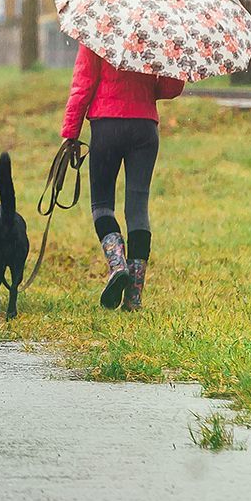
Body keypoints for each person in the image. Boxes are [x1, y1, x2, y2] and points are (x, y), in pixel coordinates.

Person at [59, 45, 184, 311]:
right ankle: (134, 296)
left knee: (102, 205)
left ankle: (117, 266)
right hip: (144, 128)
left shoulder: (97, 34)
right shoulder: (156, 34)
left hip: (107, 126)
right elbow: (170, 88)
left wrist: (71, 131)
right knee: (137, 210)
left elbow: (83, 85)